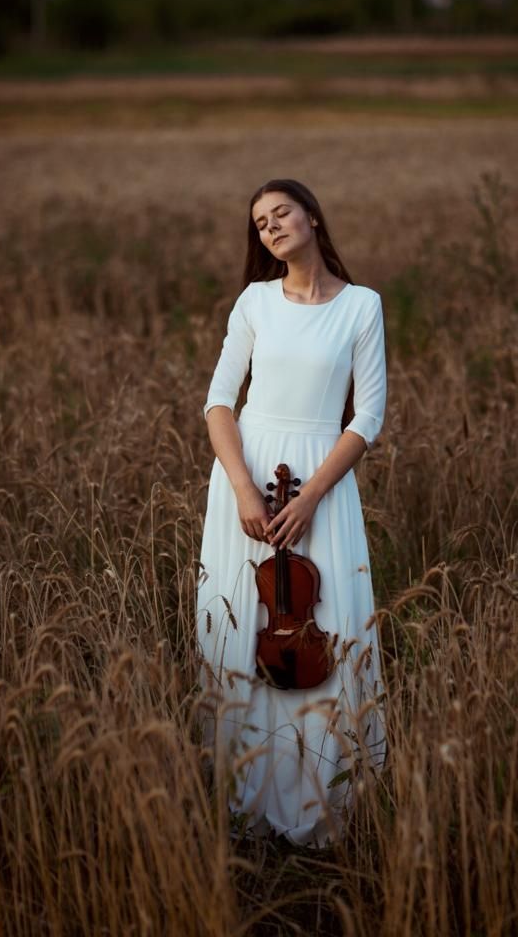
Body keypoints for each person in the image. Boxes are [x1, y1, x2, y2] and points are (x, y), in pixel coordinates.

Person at [197, 179, 387, 846]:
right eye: (259, 222)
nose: (271, 225)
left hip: (322, 485)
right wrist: (246, 489)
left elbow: (367, 416)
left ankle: (320, 804)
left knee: (324, 628)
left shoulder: (362, 306)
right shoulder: (254, 302)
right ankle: (243, 802)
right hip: (248, 478)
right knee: (245, 628)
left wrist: (310, 497)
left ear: (312, 215)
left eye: (281, 212)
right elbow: (219, 402)